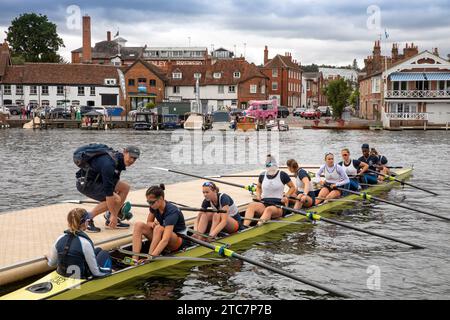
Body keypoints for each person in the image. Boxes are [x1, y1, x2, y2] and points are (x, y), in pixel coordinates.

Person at [74, 144, 140, 232]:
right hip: (86, 184)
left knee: (125, 188)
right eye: (131, 157)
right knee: (115, 199)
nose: (132, 160)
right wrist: (114, 214)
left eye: (134, 159)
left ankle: (111, 217)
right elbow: (109, 193)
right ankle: (87, 219)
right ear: (124, 152)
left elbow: (113, 181)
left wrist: (113, 214)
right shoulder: (109, 164)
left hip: (96, 180)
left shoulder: (118, 160)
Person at [46, 208, 112, 279]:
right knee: (104, 253)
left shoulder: (59, 238)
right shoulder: (85, 243)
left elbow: (51, 263)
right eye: (88, 220)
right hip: (80, 277)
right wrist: (110, 271)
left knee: (98, 250)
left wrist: (48, 257)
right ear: (85, 223)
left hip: (62, 273)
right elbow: (96, 273)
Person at [131, 185, 188, 262]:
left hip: (177, 242)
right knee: (139, 225)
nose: (150, 205)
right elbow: (148, 222)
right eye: (148, 202)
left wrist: (150, 258)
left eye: (152, 202)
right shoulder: (154, 207)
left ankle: (150, 257)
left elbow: (165, 240)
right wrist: (151, 224)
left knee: (158, 228)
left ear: (161, 199)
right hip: (162, 237)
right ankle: (134, 259)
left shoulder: (172, 211)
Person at [243, 154, 296, 226]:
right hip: (264, 203)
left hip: (278, 205)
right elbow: (258, 187)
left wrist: (286, 196)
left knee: (269, 210)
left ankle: (257, 228)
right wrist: (258, 195)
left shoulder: (282, 175)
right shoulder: (262, 175)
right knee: (251, 205)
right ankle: (245, 227)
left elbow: (292, 187)